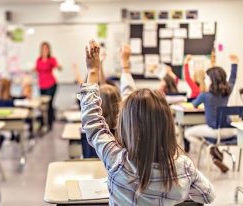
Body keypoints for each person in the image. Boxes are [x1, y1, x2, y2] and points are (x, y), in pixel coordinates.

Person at [79, 40, 215, 205]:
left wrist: (93, 71)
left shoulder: (117, 161)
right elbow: (208, 196)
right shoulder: (183, 166)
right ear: (166, 125)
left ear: (126, 124)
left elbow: (93, 123)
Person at [184, 54, 239, 173]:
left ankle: (211, 151)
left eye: (206, 78)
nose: (204, 79)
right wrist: (235, 63)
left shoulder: (205, 95)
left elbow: (193, 105)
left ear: (211, 80)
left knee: (187, 133)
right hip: (231, 131)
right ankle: (214, 151)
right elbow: (233, 78)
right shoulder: (227, 92)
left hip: (215, 131)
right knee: (205, 133)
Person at [34, 42, 62, 130]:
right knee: (42, 105)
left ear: (49, 49)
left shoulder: (51, 59)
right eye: (43, 48)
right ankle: (42, 123)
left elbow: (58, 67)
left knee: (49, 104)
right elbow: (37, 70)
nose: (44, 50)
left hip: (51, 84)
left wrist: (59, 66)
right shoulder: (38, 60)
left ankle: (50, 124)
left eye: (46, 48)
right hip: (41, 85)